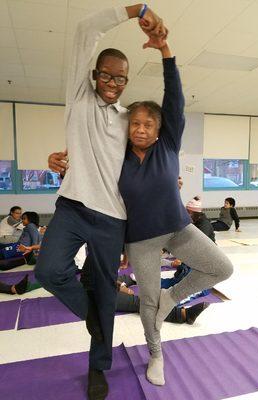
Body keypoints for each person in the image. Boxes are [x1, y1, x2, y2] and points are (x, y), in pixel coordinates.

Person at [35, 5, 167, 400]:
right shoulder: (78, 98)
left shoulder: (130, 120)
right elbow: (84, 30)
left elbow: (151, 152)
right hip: (73, 207)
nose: (113, 82)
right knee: (48, 270)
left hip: (112, 220)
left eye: (120, 78)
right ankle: (95, 319)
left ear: (126, 82)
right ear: (94, 76)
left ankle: (98, 367)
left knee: (106, 290)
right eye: (107, 75)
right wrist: (137, 10)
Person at [118, 39, 233, 386]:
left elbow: (175, 100)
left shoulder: (167, 145)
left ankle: (173, 298)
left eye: (147, 124)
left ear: (157, 130)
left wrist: (166, 53)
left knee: (222, 267)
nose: (140, 128)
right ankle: (156, 355)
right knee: (148, 303)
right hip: (140, 241)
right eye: (134, 123)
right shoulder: (117, 155)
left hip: (178, 228)